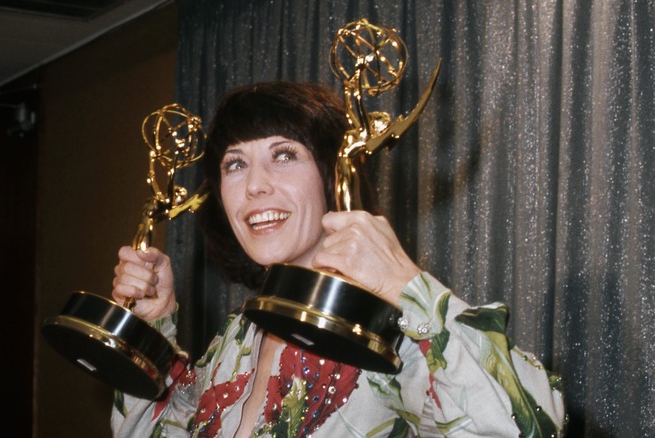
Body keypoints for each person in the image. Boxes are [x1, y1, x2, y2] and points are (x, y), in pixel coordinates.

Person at [110, 81, 565, 437]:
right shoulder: (236, 340)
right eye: (235, 164)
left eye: (284, 155)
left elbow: (518, 426)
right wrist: (150, 330)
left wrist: (409, 287)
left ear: (332, 176)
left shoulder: (388, 337)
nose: (255, 186)